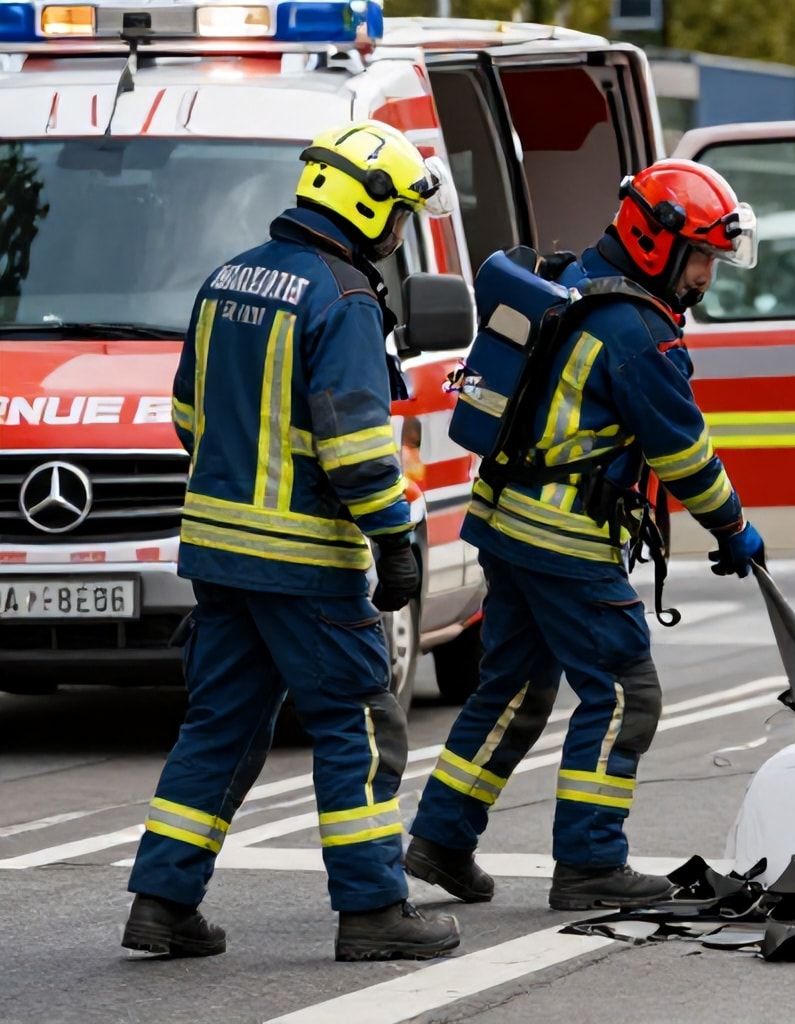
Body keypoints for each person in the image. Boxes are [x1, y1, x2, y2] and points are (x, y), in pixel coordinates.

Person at [124, 121, 459, 962]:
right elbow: (353, 447)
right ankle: (375, 908)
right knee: (359, 725)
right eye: (394, 214)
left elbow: (187, 417)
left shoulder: (228, 277)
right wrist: (394, 540)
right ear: (366, 203)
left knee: (219, 729)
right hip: (307, 563)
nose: (393, 234)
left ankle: (162, 902)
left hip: (218, 556)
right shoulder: (343, 299)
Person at [405, 159, 766, 911]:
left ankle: (441, 837)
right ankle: (591, 863)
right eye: (701, 256)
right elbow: (682, 454)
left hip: (506, 522)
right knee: (625, 693)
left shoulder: (571, 281)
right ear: (656, 241)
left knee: (512, 688)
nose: (706, 276)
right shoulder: (639, 333)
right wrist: (733, 528)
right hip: (565, 538)